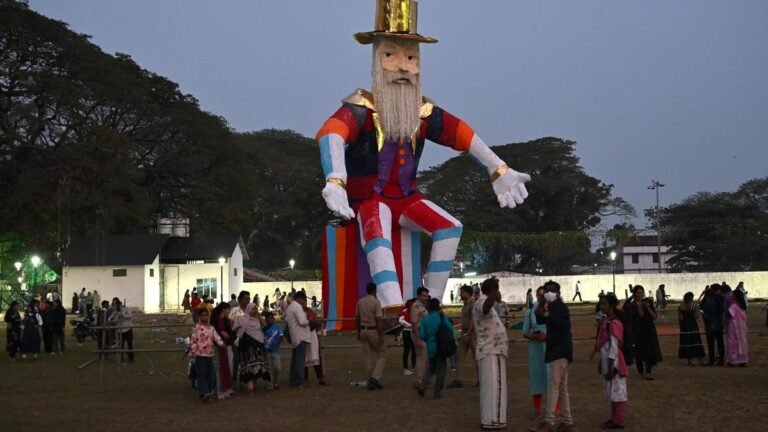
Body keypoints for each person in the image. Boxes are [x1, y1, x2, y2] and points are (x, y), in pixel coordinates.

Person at [316, 0, 532, 313]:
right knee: (378, 231)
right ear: (376, 57)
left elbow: (461, 133)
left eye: (411, 56)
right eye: (391, 54)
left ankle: (431, 302)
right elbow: (331, 132)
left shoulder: (422, 112)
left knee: (450, 227)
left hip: (406, 198)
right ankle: (391, 309)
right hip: (369, 198)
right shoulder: (361, 108)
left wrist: (498, 168)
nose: (403, 66)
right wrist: (336, 179)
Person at [533, 280, 575, 432]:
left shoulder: (560, 308)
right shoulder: (552, 307)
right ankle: (567, 421)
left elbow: (556, 323)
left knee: (554, 387)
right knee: (562, 388)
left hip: (559, 351)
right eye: (546, 290)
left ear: (558, 293)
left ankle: (549, 421)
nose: (548, 293)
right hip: (560, 351)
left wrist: (546, 308)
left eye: (551, 291)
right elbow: (539, 316)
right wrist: (541, 302)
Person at [473, 277, 509, 430]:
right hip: (491, 351)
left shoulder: (485, 302)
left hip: (490, 351)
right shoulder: (483, 302)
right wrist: (494, 295)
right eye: (497, 288)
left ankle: (489, 419)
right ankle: (495, 420)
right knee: (496, 387)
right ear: (492, 290)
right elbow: (485, 308)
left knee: (490, 388)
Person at [591, 293, 628, 430]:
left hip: (614, 362)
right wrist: (603, 361)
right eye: (601, 304)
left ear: (611, 306)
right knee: (613, 391)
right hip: (609, 361)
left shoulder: (614, 323)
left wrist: (612, 364)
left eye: (604, 304)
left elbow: (614, 345)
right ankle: (614, 418)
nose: (602, 306)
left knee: (618, 391)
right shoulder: (606, 322)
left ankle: (618, 420)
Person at [416, 298, 454, 399]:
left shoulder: (425, 319)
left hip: (431, 348)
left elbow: (422, 335)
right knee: (441, 370)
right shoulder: (442, 317)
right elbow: (451, 329)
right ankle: (437, 392)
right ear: (438, 307)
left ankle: (423, 386)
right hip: (442, 347)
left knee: (431, 368)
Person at [622, 285, 662, 379]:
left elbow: (654, 317)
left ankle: (648, 371)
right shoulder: (631, 305)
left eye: (641, 292)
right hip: (637, 331)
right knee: (639, 351)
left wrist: (647, 308)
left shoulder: (647, 302)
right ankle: (641, 370)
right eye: (638, 293)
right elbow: (623, 307)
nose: (640, 295)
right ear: (634, 294)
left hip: (648, 330)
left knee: (648, 350)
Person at [523, 287, 548, 420]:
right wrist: (532, 335)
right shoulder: (530, 312)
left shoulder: (553, 311)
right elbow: (525, 331)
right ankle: (537, 409)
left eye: (543, 296)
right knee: (536, 377)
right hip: (535, 349)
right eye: (539, 296)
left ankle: (556, 409)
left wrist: (547, 336)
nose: (541, 298)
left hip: (550, 348)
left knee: (552, 378)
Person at [189, 308, 225, 402]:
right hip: (200, 355)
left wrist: (221, 343)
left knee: (210, 374)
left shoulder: (211, 328)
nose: (204, 317)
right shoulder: (196, 328)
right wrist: (192, 353)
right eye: (203, 315)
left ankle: (208, 392)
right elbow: (193, 341)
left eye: (206, 315)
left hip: (210, 354)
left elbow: (216, 337)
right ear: (200, 317)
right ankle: (204, 392)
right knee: (202, 374)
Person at [233, 303, 269, 395]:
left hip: (257, 346)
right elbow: (234, 328)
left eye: (255, 309)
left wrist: (259, 316)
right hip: (246, 347)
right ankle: (250, 388)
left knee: (257, 367)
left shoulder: (257, 319)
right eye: (252, 309)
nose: (254, 311)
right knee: (249, 367)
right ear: (248, 309)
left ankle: (253, 385)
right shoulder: (242, 318)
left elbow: (265, 326)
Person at [356, 282, 386, 390]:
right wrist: (381, 334)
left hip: (363, 330)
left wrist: (358, 331)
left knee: (367, 356)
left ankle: (370, 380)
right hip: (373, 330)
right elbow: (378, 318)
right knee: (381, 354)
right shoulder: (376, 302)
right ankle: (375, 378)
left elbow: (357, 318)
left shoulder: (360, 302)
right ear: (375, 290)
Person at [285, 291, 312, 388]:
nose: (304, 302)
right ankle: (300, 381)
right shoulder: (298, 307)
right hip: (301, 336)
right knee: (300, 361)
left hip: (295, 336)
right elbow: (302, 321)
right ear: (300, 298)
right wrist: (309, 320)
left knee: (295, 360)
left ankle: (293, 380)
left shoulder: (290, 307)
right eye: (304, 300)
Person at [454, 284, 477, 387]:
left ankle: (481, 379)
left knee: (476, 357)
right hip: (465, 332)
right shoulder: (466, 304)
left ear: (467, 293)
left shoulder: (473, 304)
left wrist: (468, 332)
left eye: (462, 292)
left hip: (471, 334)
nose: (460, 294)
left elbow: (473, 319)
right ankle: (459, 379)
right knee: (459, 356)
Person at [211, 302, 234, 399]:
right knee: (220, 367)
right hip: (219, 346)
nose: (229, 311)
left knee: (226, 366)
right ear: (223, 309)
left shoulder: (225, 319)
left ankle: (226, 387)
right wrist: (223, 334)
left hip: (225, 345)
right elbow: (218, 332)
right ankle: (220, 390)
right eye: (228, 309)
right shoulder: (218, 320)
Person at [228, 290, 250, 384]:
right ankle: (233, 378)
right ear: (240, 299)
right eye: (246, 299)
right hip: (237, 339)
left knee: (247, 359)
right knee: (236, 359)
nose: (248, 300)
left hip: (249, 338)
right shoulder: (235, 310)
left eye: (249, 298)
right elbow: (230, 324)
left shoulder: (250, 310)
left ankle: (246, 378)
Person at [699, 284, 725, 366]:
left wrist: (705, 318)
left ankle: (711, 361)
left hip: (710, 324)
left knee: (711, 343)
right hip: (719, 323)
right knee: (720, 343)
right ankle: (721, 360)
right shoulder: (721, 299)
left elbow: (702, 309)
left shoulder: (708, 299)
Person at [677, 292, 705, 366]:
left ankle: (689, 361)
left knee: (687, 342)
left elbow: (680, 318)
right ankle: (700, 361)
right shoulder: (694, 306)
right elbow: (697, 316)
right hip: (692, 324)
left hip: (684, 325)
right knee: (696, 341)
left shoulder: (681, 306)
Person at [303, 305, 328, 386]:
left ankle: (320, 378)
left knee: (316, 357)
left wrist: (315, 323)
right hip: (303, 336)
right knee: (304, 359)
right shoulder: (299, 312)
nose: (304, 303)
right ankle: (305, 379)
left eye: (305, 301)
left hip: (313, 336)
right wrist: (313, 323)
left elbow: (315, 322)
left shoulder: (310, 311)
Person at [410, 287, 429, 387]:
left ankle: (423, 380)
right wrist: (417, 338)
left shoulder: (424, 305)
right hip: (419, 334)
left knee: (424, 358)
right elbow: (414, 324)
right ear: (418, 296)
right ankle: (418, 381)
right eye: (423, 296)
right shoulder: (415, 306)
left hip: (424, 334)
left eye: (426, 296)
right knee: (421, 358)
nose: (426, 298)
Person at [725, 288, 749, 366]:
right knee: (741, 342)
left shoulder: (734, 306)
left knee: (732, 342)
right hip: (742, 326)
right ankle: (742, 360)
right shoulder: (742, 306)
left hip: (734, 326)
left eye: (733, 295)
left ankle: (732, 360)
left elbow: (728, 314)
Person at [263, 311, 284, 390]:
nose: (271, 319)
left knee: (277, 367)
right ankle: (270, 384)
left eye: (272, 318)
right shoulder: (264, 329)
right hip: (266, 351)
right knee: (268, 368)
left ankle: (276, 381)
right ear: (266, 319)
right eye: (269, 318)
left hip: (276, 351)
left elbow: (281, 337)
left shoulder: (277, 327)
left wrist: (275, 346)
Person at [399, 298, 416, 375]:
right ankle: (406, 367)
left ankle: (413, 366)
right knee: (407, 350)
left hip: (413, 332)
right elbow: (401, 320)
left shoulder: (416, 311)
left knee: (413, 350)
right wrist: (411, 325)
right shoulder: (404, 312)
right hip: (407, 332)